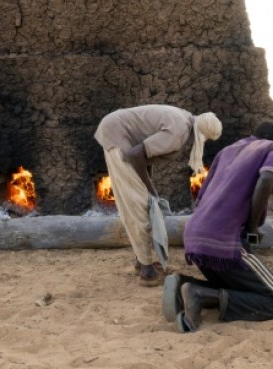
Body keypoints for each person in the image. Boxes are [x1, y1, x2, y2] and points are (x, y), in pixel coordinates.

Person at [163, 120, 273, 333]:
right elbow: (266, 179)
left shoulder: (227, 150)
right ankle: (199, 294)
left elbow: (202, 195)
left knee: (238, 283)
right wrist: (252, 228)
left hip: (195, 235)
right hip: (223, 239)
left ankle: (182, 284)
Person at [95, 104, 222, 287]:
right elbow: (136, 154)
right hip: (116, 135)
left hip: (116, 130)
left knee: (143, 201)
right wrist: (150, 189)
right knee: (138, 207)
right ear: (202, 134)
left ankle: (141, 261)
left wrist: (149, 188)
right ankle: (146, 270)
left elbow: (145, 154)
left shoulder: (185, 119)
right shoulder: (178, 134)